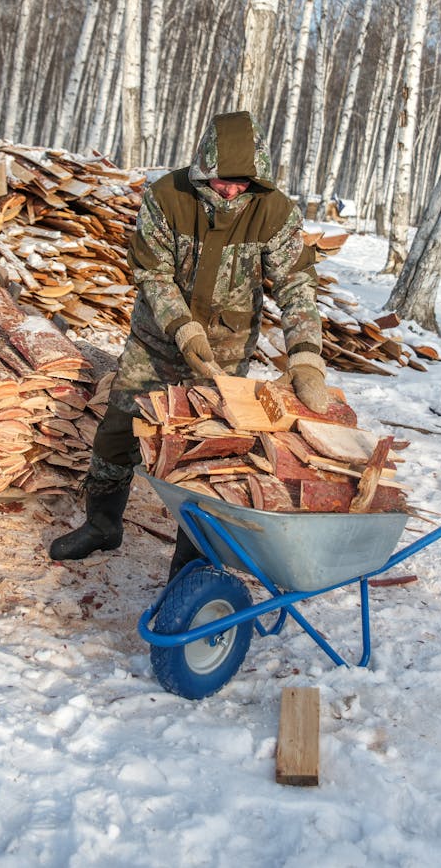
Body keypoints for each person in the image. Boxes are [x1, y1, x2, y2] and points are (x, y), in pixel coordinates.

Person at [49, 110, 330, 574]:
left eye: (242, 182)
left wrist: (305, 356)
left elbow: (296, 284)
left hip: (227, 350)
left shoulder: (275, 210)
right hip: (157, 339)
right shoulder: (166, 196)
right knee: (119, 430)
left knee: (210, 452)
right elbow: (153, 272)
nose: (232, 190)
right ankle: (102, 525)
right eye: (222, 180)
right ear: (203, 168)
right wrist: (181, 327)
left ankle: (191, 558)